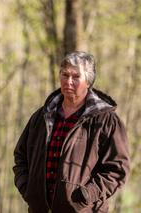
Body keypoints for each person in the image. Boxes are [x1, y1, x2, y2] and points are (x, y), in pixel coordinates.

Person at [13, 51, 130, 212]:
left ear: (88, 82)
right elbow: (21, 156)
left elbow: (117, 170)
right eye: (64, 74)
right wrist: (28, 189)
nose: (68, 81)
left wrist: (87, 195)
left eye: (76, 77)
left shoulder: (106, 121)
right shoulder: (41, 117)